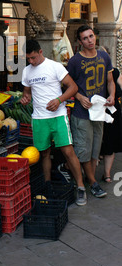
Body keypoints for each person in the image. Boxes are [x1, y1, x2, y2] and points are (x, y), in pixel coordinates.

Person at [21, 39, 87, 206]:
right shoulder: (27, 71)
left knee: (68, 151)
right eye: (28, 58)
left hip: (58, 116)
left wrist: (59, 100)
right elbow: (27, 91)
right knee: (44, 153)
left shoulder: (55, 66)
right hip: (39, 118)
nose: (31, 61)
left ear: (41, 52)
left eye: (33, 57)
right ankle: (48, 185)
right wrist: (26, 98)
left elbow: (73, 87)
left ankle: (80, 187)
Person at [64, 25, 115, 198]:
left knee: (94, 151)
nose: (89, 40)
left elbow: (110, 81)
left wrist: (112, 95)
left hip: (99, 112)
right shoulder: (74, 61)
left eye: (91, 36)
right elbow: (66, 83)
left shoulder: (104, 56)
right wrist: (78, 96)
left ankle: (86, 178)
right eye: (85, 38)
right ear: (79, 42)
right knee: (83, 151)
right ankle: (92, 183)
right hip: (82, 113)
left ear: (95, 36)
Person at [99, 47, 122, 183]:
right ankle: (106, 175)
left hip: (111, 111)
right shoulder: (114, 71)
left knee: (109, 141)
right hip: (101, 111)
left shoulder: (114, 71)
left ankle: (106, 174)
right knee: (104, 142)